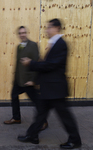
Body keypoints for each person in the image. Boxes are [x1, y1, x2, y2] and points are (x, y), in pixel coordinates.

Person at [17, 19, 81, 149]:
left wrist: (31, 63)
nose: (47, 30)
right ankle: (32, 135)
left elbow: (51, 65)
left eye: (49, 27)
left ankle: (75, 140)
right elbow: (48, 65)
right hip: (49, 88)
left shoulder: (61, 44)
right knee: (41, 113)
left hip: (56, 89)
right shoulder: (54, 43)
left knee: (65, 116)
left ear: (56, 28)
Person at [4, 26, 48, 131]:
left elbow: (36, 62)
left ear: (26, 33)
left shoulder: (33, 45)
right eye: (20, 33)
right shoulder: (19, 46)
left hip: (28, 80)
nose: (22, 34)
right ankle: (16, 118)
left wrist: (33, 80)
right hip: (19, 80)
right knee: (14, 96)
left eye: (24, 32)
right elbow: (18, 65)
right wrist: (15, 79)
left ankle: (44, 121)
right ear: (18, 35)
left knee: (36, 101)